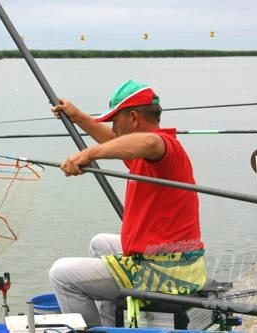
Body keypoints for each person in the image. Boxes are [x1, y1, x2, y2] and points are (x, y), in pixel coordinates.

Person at [49, 79, 207, 327]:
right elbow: (118, 143)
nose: (112, 128)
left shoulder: (162, 147)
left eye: (115, 121)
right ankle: (113, 326)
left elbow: (147, 142)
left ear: (133, 118)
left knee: (61, 275)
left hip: (164, 271)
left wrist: (89, 154)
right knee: (100, 243)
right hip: (174, 259)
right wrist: (77, 116)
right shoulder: (144, 158)